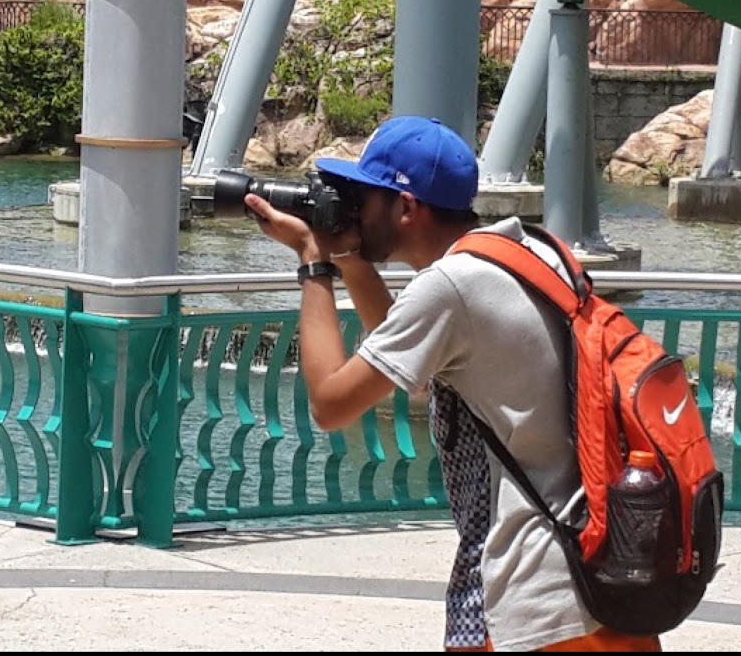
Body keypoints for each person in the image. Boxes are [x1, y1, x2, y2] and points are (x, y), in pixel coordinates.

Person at [244, 114, 661, 653]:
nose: (354, 210)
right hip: (599, 570)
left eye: (364, 198)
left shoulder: (450, 287)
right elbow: (421, 374)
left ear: (406, 207)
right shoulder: (529, 252)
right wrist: (349, 257)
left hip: (535, 600)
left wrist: (313, 264)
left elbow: (330, 405)